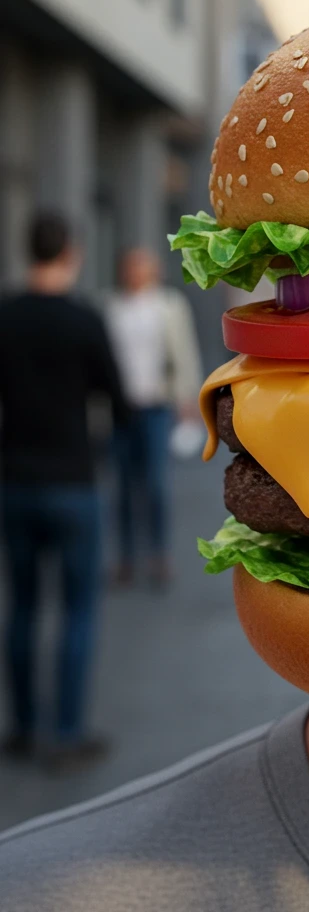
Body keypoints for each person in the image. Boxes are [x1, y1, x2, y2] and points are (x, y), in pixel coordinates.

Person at [0, 215, 129, 771]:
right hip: (73, 481)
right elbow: (118, 400)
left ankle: (25, 728)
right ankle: (67, 732)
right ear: (71, 254)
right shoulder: (83, 319)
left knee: (23, 607)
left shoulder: (5, 317)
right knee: (77, 611)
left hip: (15, 480)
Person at [105, 247, 202, 589]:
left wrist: (187, 398)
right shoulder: (111, 308)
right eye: (131, 266)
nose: (135, 272)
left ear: (154, 271)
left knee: (156, 484)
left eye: (142, 266)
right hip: (121, 408)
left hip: (157, 405)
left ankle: (159, 554)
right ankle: (126, 557)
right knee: (123, 485)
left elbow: (183, 352)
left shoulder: (169, 306)